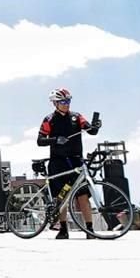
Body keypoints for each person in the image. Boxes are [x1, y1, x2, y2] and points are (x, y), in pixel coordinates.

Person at [36, 88, 101, 239]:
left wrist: (95, 126)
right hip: (58, 162)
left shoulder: (76, 117)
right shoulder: (49, 119)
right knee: (62, 196)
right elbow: (40, 140)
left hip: (76, 160)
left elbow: (89, 130)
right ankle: (63, 229)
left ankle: (89, 229)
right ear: (55, 103)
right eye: (63, 102)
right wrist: (55, 139)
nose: (66, 104)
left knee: (82, 196)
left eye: (68, 101)